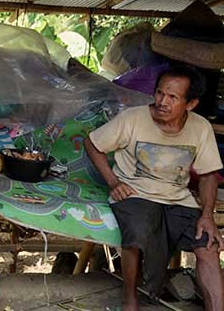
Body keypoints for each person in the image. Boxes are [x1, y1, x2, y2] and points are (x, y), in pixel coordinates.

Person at [85, 65, 224, 311]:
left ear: (190, 104)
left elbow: (208, 175)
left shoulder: (200, 127)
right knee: (137, 233)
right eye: (160, 93)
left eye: (173, 97)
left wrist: (207, 215)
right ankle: (130, 298)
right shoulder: (133, 118)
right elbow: (92, 143)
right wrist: (114, 182)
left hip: (178, 199)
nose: (162, 102)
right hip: (135, 193)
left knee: (208, 245)